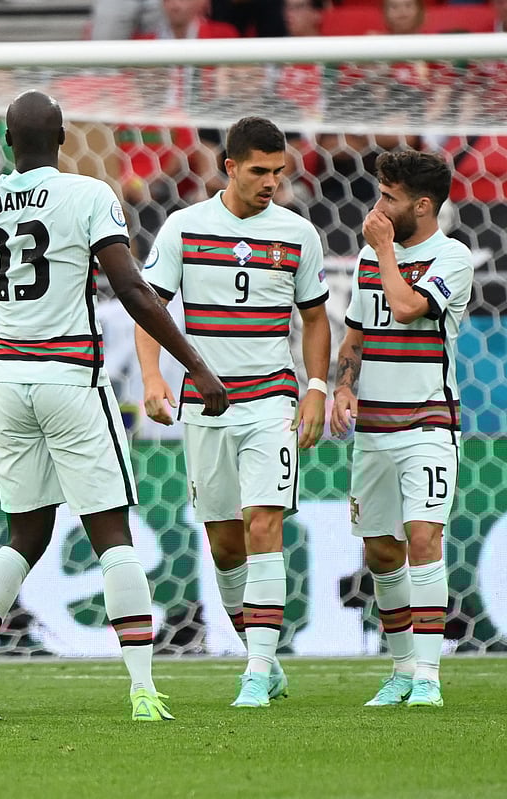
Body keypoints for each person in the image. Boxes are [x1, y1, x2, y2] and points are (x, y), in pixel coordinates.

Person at [0, 59, 227, 722]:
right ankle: (143, 688)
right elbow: (132, 288)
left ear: (5, 136)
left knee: (23, 531)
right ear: (61, 137)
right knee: (111, 532)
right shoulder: (86, 195)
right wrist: (192, 363)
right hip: (69, 379)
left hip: (7, 383)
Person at [135, 116, 331, 708]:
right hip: (204, 404)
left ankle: (257, 667)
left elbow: (316, 317)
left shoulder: (298, 234)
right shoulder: (184, 228)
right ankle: (259, 654)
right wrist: (151, 379)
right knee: (224, 543)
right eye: (259, 171)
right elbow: (151, 307)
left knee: (264, 525)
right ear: (229, 168)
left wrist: (316, 386)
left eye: (279, 171)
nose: (271, 181)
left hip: (271, 397)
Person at [331, 150, 472, 709]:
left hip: (428, 423)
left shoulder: (452, 257)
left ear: (422, 205)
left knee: (423, 540)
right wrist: (343, 387)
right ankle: (402, 669)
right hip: (374, 429)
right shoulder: (370, 257)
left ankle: (430, 679)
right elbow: (356, 337)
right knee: (382, 553)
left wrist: (386, 249)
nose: (379, 207)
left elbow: (409, 306)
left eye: (390, 198)